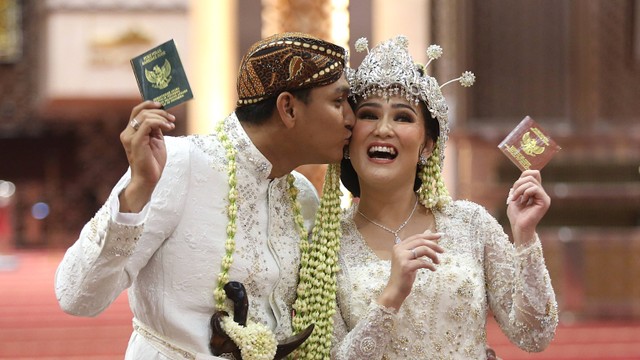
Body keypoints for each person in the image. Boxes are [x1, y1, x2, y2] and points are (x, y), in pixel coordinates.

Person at [54, 32, 354, 360]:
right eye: (338, 102)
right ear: (288, 109)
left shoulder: (303, 196)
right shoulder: (178, 163)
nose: (351, 119)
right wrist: (138, 189)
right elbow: (77, 296)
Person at [330, 36, 558, 359]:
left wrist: (525, 238)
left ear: (427, 146)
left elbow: (535, 335)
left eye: (402, 117)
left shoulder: (471, 224)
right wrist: (390, 298)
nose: (383, 129)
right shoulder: (327, 247)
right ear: (349, 139)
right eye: (368, 115)